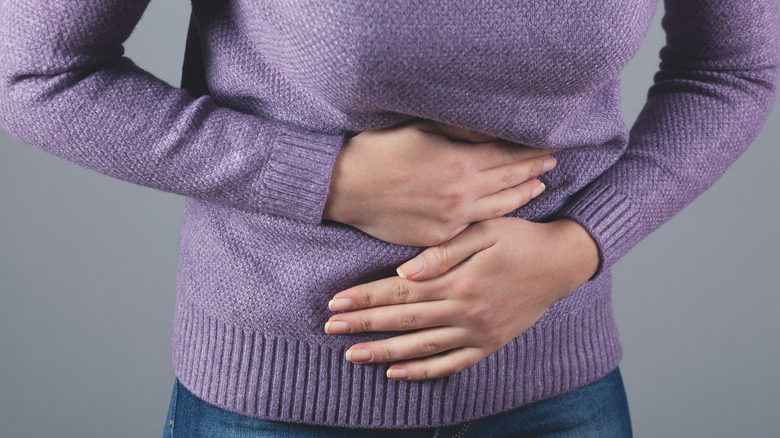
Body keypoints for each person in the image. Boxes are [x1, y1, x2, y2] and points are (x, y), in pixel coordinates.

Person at [0, 1, 777, 437]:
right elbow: (33, 72)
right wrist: (328, 181)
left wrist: (582, 244)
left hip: (557, 396)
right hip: (278, 401)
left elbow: (735, 67)